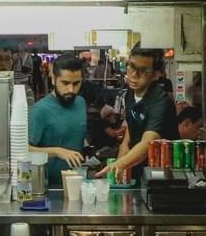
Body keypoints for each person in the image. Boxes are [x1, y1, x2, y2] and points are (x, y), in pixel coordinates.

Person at [95, 48, 178, 182]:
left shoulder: (160, 102)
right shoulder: (130, 93)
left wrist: (119, 164)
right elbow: (131, 127)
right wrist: (121, 160)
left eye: (143, 70)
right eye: (131, 66)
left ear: (156, 74)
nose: (134, 74)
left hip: (162, 175)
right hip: (138, 172)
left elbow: (148, 143)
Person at [28, 55, 88, 189]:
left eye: (76, 83)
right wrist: (57, 151)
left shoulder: (80, 103)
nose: (71, 90)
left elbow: (74, 134)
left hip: (76, 183)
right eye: (65, 83)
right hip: (48, 187)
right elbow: (26, 151)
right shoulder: (40, 110)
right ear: (53, 79)